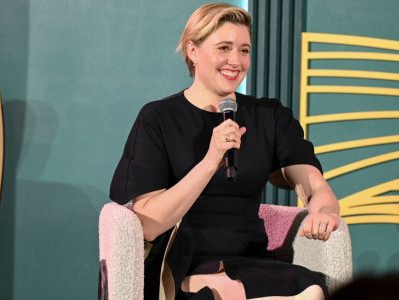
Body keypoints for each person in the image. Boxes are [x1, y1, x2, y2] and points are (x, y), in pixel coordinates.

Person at [110, 3, 340, 299]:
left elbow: (313, 184)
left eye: (244, 50)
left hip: (250, 259)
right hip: (183, 260)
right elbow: (150, 225)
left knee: (311, 291)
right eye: (224, 48)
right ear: (193, 51)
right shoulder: (159, 118)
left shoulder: (268, 116)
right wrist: (210, 161)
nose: (236, 60)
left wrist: (324, 211)